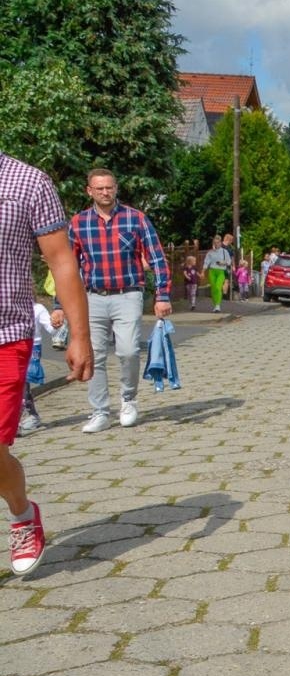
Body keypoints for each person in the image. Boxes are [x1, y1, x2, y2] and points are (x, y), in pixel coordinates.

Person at [2, 151, 92, 574]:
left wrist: (79, 335)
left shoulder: (29, 182)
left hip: (5, 334)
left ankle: (21, 513)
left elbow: (61, 260)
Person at [68, 169, 172, 433]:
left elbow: (157, 257)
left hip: (128, 294)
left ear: (116, 189)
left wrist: (162, 295)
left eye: (109, 187)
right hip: (92, 297)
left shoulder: (135, 219)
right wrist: (61, 305)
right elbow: (67, 267)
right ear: (89, 191)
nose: (105, 192)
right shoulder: (79, 223)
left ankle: (128, 400)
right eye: (99, 188)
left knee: (128, 351)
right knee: (95, 356)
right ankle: (100, 411)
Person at [16, 302, 55, 436]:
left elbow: (51, 328)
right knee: (15, 384)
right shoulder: (8, 306)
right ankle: (28, 415)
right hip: (10, 345)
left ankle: (28, 417)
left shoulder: (37, 308)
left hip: (31, 348)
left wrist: (57, 323)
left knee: (23, 382)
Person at [202, 236, 230, 313]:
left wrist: (223, 263)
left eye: (218, 242)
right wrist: (203, 272)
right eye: (215, 242)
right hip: (212, 271)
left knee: (218, 287)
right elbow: (206, 262)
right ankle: (215, 305)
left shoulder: (225, 251)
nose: (216, 244)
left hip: (221, 271)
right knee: (213, 288)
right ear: (213, 243)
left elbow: (229, 262)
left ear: (220, 243)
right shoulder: (210, 252)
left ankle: (218, 305)